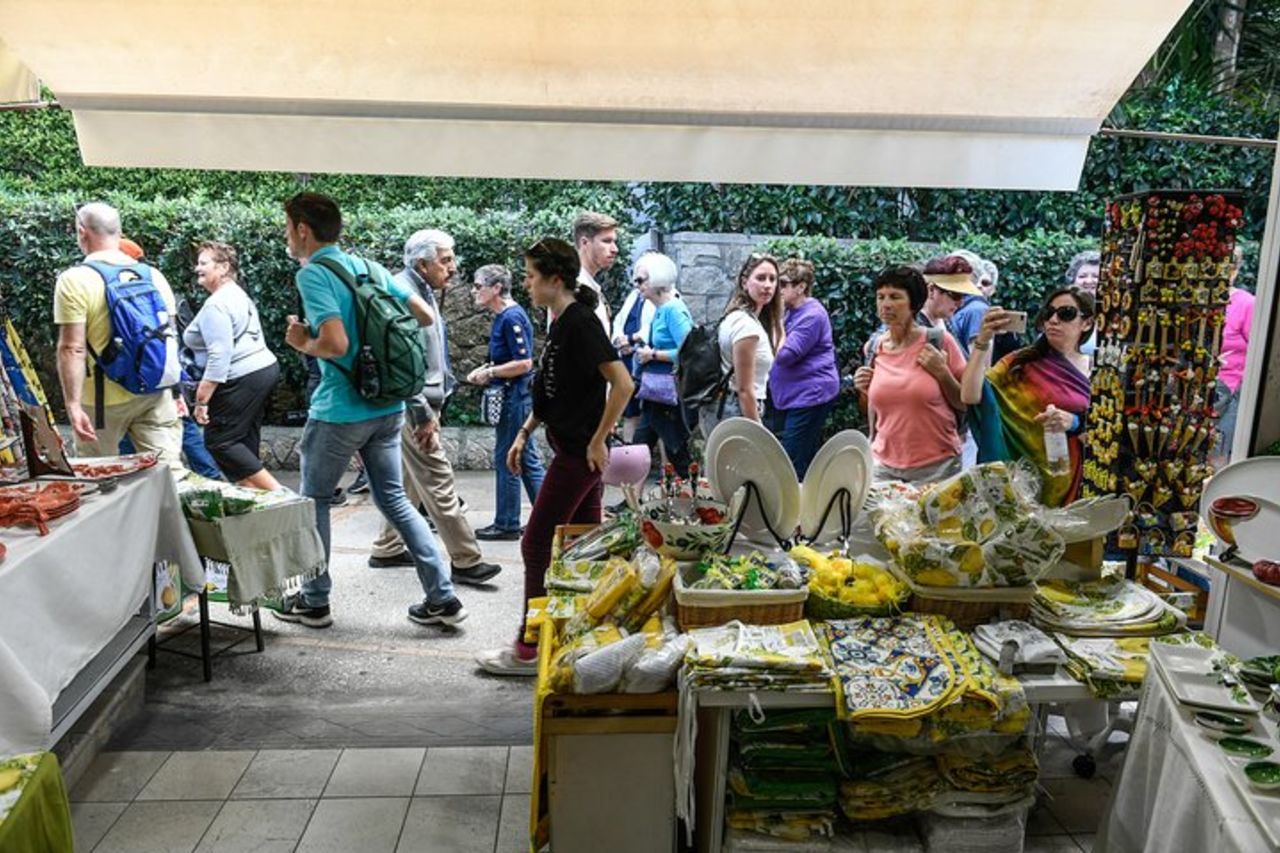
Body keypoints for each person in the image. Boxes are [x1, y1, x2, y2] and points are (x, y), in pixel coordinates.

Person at [273, 192, 465, 630]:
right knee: (394, 498)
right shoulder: (368, 268)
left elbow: (335, 344)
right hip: (388, 406)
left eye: (288, 227)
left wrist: (302, 341)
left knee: (314, 500)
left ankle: (314, 600)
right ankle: (442, 596)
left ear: (303, 229)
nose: (287, 236)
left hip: (340, 410)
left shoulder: (315, 274)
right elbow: (421, 314)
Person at [476, 237, 633, 676]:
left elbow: (623, 384)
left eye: (529, 276)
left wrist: (600, 439)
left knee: (536, 542)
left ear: (555, 279)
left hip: (579, 455)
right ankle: (585, 634)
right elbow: (551, 388)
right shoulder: (560, 320)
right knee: (586, 546)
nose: (524, 284)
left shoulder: (581, 322)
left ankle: (530, 645)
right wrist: (524, 433)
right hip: (568, 446)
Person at [365, 229, 502, 586]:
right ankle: (466, 559)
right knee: (439, 479)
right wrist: (421, 410)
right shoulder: (403, 293)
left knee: (409, 481)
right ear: (422, 263)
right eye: (446, 260)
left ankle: (387, 547)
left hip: (421, 405)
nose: (453, 268)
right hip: (416, 408)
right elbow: (399, 361)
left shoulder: (421, 288)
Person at [53, 203, 185, 469]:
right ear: (119, 232)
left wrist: (73, 405)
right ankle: (170, 512)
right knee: (168, 475)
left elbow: (72, 349)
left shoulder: (75, 280)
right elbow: (171, 338)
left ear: (82, 232)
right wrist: (177, 390)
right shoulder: (154, 276)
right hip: (155, 391)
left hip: (102, 401)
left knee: (99, 479)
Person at [960, 286, 1095, 507]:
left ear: (1087, 323)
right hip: (1023, 483)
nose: (1053, 320)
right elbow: (971, 394)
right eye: (1048, 313)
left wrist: (1075, 423)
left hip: (1075, 481)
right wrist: (983, 339)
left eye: (1066, 314)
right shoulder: (1019, 363)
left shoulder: (1096, 370)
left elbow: (1102, 431)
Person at [115, 237, 224, 480]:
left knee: (129, 440)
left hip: (137, 376)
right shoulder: (154, 278)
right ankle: (212, 480)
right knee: (183, 425)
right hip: (165, 368)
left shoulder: (123, 283)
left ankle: (136, 487)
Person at [854, 266, 967, 484]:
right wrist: (863, 390)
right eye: (881, 297)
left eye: (895, 297)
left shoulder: (940, 342)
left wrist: (942, 373)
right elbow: (873, 411)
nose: (886, 304)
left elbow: (965, 403)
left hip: (937, 466)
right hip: (883, 467)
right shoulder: (874, 348)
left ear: (913, 303)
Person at [182, 241, 282, 490]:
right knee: (243, 441)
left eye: (204, 263)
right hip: (261, 371)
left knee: (221, 442)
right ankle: (256, 503)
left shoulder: (217, 304)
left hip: (242, 376)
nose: (197, 269)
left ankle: (282, 498)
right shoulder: (236, 293)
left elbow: (219, 355)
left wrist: (202, 400)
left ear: (224, 267)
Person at [466, 263, 545, 540]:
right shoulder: (504, 316)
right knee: (526, 458)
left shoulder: (510, 318)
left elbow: (524, 363)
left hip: (515, 397)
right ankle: (551, 519)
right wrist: (487, 368)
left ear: (496, 288)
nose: (473, 291)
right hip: (515, 395)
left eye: (478, 286)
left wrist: (489, 373)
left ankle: (508, 523)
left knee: (508, 458)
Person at [767, 258, 839, 479]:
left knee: (793, 460)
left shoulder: (812, 315)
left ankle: (800, 508)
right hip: (792, 394)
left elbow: (785, 355)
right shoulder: (791, 310)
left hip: (810, 395)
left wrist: (777, 321)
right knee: (793, 454)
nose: (776, 289)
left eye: (783, 284)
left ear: (800, 287)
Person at [699, 253, 783, 437]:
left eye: (773, 279)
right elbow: (745, 390)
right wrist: (759, 433)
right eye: (760, 278)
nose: (768, 285)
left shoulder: (736, 316)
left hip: (724, 407)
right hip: (736, 409)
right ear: (745, 282)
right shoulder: (746, 327)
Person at [632, 252, 694, 477]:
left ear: (657, 280)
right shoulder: (661, 310)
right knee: (639, 446)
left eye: (641, 280)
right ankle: (632, 501)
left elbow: (688, 351)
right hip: (655, 392)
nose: (637, 285)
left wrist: (653, 355)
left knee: (676, 450)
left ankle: (699, 500)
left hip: (668, 392)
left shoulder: (672, 309)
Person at [548, 212, 618, 333]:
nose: (614, 249)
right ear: (585, 243)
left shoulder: (586, 285)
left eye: (614, 242)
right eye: (606, 241)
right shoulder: (572, 288)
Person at [1215, 245, 1254, 464]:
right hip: (1196, 391)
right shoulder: (1202, 304)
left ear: (1236, 270)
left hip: (1230, 396)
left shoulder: (1246, 303)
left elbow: (1257, 354)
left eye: (1230, 267)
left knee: (1218, 458)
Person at [611, 262, 656, 442]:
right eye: (636, 279)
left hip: (648, 364)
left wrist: (633, 341)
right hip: (628, 363)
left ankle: (665, 468)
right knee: (630, 412)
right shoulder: (633, 296)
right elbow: (619, 321)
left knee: (654, 416)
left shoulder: (666, 298)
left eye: (641, 279)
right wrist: (620, 340)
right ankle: (629, 460)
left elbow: (655, 329)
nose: (637, 284)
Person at [1065, 250, 1102, 356]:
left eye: (1096, 276)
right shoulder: (1062, 311)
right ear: (1073, 281)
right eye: (1083, 276)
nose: (1089, 281)